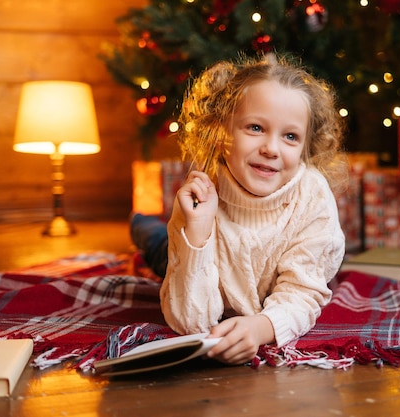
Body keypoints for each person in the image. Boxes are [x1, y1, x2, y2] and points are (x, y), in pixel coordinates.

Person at [130, 54, 348, 365]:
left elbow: (302, 294)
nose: (271, 149)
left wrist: (262, 327)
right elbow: (190, 321)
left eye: (290, 136)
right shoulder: (202, 195)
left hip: (271, 273)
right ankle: (139, 223)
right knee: (156, 246)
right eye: (256, 127)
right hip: (195, 265)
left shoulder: (311, 197)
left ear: (305, 146)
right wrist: (198, 231)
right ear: (221, 132)